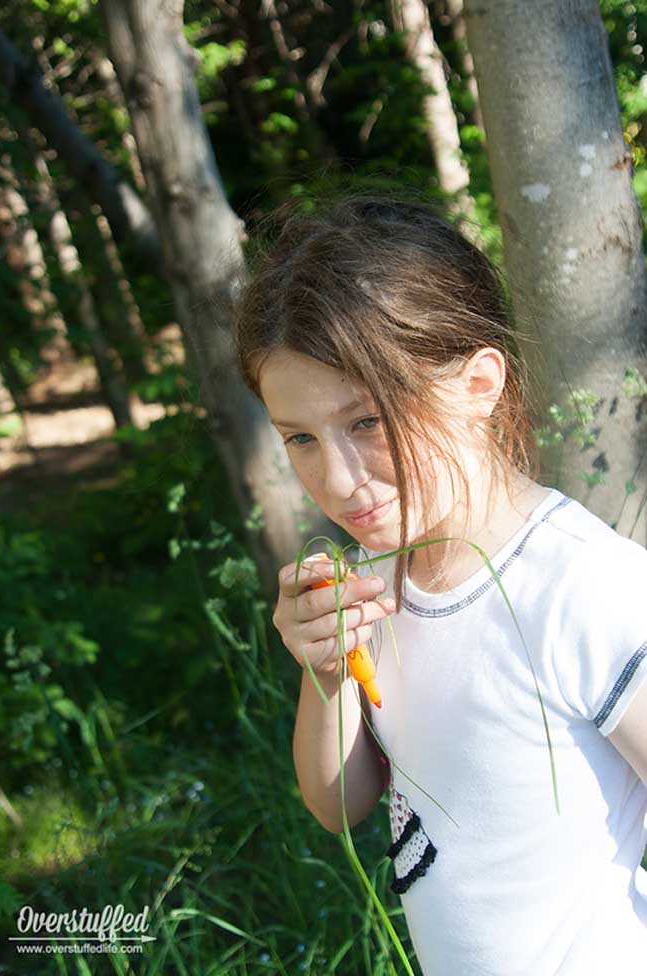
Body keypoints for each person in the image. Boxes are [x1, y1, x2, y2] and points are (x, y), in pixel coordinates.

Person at [232, 193, 647, 975]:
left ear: (478, 384)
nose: (338, 479)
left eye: (367, 422)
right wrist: (326, 672)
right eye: (300, 438)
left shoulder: (583, 590)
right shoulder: (379, 578)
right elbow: (340, 805)